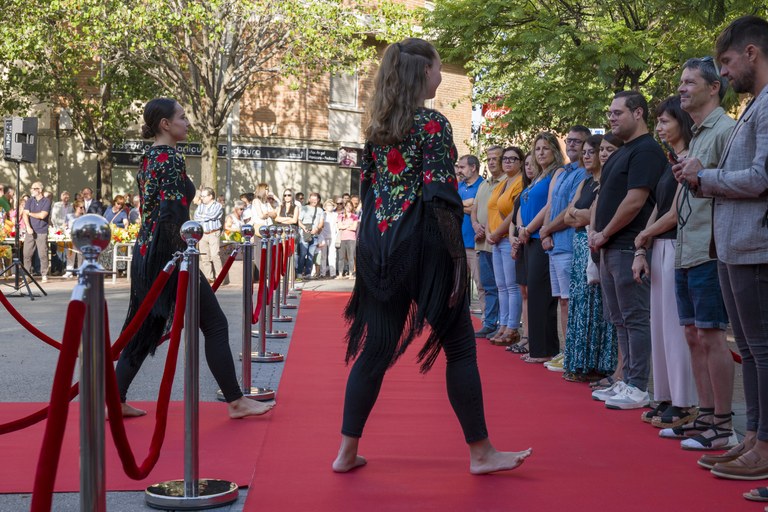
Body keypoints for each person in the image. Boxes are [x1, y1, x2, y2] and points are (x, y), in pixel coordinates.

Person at [333, 38, 532, 474]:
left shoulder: (377, 130)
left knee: (376, 349)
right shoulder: (433, 125)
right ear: (423, 73)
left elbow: (368, 194)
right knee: (460, 346)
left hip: (379, 246)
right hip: (422, 245)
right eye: (439, 69)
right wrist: (453, 265)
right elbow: (440, 197)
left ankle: (346, 452)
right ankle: (481, 453)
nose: (441, 76)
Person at [116, 97, 273, 419]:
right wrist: (183, 258)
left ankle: (114, 399)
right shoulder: (171, 159)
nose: (187, 123)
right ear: (165, 124)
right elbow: (173, 215)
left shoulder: (148, 158)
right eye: (182, 117)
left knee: (146, 326)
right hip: (168, 253)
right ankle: (236, 401)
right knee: (215, 323)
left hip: (147, 251)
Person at [676, 15, 768, 482]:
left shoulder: (764, 107)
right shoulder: (755, 106)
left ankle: (761, 442)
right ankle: (753, 436)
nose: (726, 73)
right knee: (750, 351)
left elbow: (761, 177)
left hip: (752, 245)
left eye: (727, 62)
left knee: (759, 349)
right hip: (735, 245)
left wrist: (704, 177)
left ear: (751, 53)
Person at [659, 58, 736, 454]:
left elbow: (743, 184)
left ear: (713, 88)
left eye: (690, 82)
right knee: (693, 335)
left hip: (709, 248)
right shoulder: (699, 135)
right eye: (681, 81)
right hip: (687, 247)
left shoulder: (725, 130)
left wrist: (704, 174)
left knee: (710, 335)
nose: (682, 88)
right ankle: (705, 415)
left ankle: (723, 424)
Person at [590, 90, 666, 410]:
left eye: (617, 112)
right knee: (619, 319)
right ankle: (625, 379)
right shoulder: (622, 151)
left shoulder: (647, 150)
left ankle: (638, 385)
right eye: (609, 113)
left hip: (627, 246)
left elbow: (636, 201)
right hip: (609, 247)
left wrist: (605, 232)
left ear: (638, 113)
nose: (611, 118)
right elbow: (604, 197)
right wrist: (596, 233)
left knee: (635, 318)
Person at [632, 96, 698, 427]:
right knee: (659, 326)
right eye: (657, 121)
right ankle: (666, 395)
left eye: (665, 121)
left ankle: (685, 401)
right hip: (658, 246)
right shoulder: (670, 161)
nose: (659, 127)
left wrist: (643, 237)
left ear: (682, 122)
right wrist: (643, 245)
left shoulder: (691, 159)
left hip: (676, 247)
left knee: (674, 327)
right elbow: (659, 207)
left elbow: (674, 213)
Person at [561, 134, 617, 383]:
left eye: (590, 151)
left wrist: (578, 214)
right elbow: (568, 218)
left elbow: (589, 217)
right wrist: (578, 212)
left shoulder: (607, 183)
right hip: (579, 246)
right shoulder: (585, 183)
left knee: (597, 306)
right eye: (583, 152)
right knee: (581, 305)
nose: (586, 156)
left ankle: (599, 364)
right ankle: (580, 362)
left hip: (595, 246)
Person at [539, 125, 590, 368]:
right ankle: (566, 349)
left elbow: (571, 208)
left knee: (570, 301)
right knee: (562, 300)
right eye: (569, 141)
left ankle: (572, 351)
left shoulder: (583, 173)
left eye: (577, 142)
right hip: (554, 245)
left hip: (569, 243)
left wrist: (547, 229)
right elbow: (551, 205)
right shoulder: (563, 171)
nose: (571, 145)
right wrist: (545, 232)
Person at [517, 133, 564, 363]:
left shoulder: (556, 173)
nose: (541, 153)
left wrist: (528, 229)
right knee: (534, 293)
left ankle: (545, 349)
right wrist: (520, 230)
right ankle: (537, 347)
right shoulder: (538, 176)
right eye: (537, 149)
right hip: (529, 239)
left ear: (555, 150)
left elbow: (549, 205)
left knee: (541, 295)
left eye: (546, 148)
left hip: (540, 237)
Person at [485, 146, 525, 346]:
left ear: (521, 162)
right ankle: (502, 324)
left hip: (507, 238)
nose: (508, 162)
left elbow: (513, 212)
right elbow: (490, 209)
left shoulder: (519, 182)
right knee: (501, 285)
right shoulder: (503, 183)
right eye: (505, 159)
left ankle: (512, 328)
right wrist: (489, 233)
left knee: (511, 285)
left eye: (513, 159)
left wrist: (497, 232)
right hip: (496, 239)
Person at [471, 146, 503, 338]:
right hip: (481, 243)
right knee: (488, 285)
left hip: (498, 241)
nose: (491, 162)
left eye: (495, 159)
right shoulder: (484, 184)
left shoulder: (507, 182)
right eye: (489, 159)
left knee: (503, 287)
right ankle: (490, 323)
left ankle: (503, 324)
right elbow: (474, 208)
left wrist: (490, 230)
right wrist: (475, 225)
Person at [457, 155, 486, 319]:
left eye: (462, 167)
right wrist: (467, 204)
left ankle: (486, 320)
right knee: (457, 286)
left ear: (473, 167)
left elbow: (480, 208)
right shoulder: (459, 186)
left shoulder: (483, 185)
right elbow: (450, 205)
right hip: (458, 244)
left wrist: (461, 204)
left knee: (481, 285)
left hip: (475, 244)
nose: (459, 171)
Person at [194, 187, 226, 284]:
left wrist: (203, 216)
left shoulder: (218, 206)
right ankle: (209, 277)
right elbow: (196, 217)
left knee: (215, 255)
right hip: (203, 234)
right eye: (201, 196)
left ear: (210, 196)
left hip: (213, 233)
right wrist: (205, 217)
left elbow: (213, 215)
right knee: (204, 257)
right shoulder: (200, 206)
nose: (202, 198)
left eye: (203, 196)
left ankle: (220, 277)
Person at [22, 181, 51, 282]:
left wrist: (29, 213)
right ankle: (27, 275)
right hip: (30, 231)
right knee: (26, 254)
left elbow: (42, 215)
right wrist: (28, 227)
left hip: (42, 231)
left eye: (34, 188)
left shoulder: (46, 201)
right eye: (31, 188)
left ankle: (44, 274)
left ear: (40, 190)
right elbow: (24, 215)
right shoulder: (30, 200)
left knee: (42, 253)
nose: (31, 190)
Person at [296, 192, 324, 279]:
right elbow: (299, 221)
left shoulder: (320, 210)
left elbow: (321, 222)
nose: (313, 201)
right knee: (303, 254)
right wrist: (304, 228)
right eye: (312, 199)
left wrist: (317, 229)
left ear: (318, 200)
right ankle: (299, 273)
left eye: (315, 199)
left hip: (315, 235)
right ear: (309, 199)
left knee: (311, 255)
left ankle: (308, 273)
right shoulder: (304, 208)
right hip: (304, 234)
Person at [336, 200, 358, 279]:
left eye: (350, 206)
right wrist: (349, 225)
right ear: (345, 207)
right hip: (342, 238)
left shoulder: (354, 216)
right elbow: (339, 226)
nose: (348, 207)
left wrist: (345, 225)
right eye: (347, 205)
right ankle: (340, 274)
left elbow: (354, 228)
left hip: (352, 238)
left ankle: (351, 273)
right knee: (341, 257)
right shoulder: (340, 216)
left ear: (352, 207)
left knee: (351, 257)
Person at [63, 200, 85, 278]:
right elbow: (64, 225)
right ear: (76, 207)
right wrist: (67, 231)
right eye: (81, 207)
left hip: (80, 238)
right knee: (70, 254)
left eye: (83, 207)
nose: (82, 209)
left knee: (80, 255)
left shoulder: (84, 217)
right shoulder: (69, 216)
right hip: (71, 237)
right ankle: (69, 271)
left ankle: (80, 271)